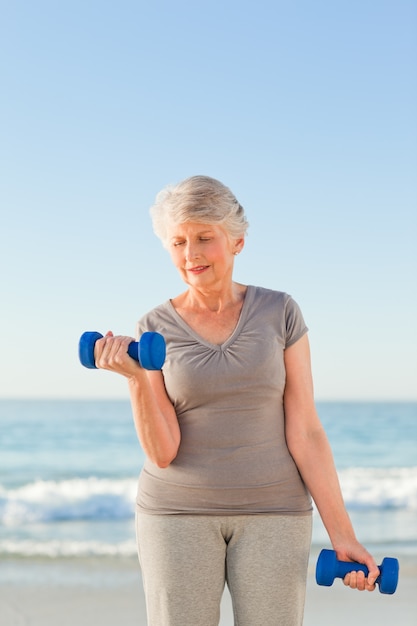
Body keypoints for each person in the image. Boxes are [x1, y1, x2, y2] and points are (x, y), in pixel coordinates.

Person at [94, 175, 379, 626]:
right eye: (178, 242)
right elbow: (163, 451)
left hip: (276, 512)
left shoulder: (280, 311)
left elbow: (304, 430)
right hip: (176, 514)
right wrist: (134, 380)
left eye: (205, 238)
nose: (190, 254)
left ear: (237, 241)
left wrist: (343, 535)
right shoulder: (154, 326)